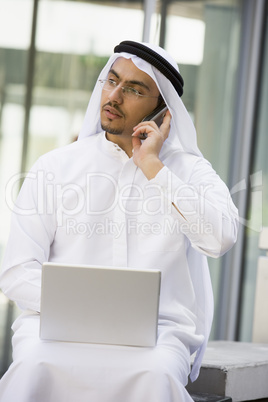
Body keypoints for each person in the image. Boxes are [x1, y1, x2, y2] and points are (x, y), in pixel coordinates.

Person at [0, 40, 239, 401]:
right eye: (111, 81)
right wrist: (84, 306)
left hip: (155, 336)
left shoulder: (188, 171)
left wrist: (155, 170)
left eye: (133, 90)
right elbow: (16, 270)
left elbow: (221, 238)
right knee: (33, 363)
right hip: (56, 330)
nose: (114, 96)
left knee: (156, 373)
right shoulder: (55, 167)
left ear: (162, 110)